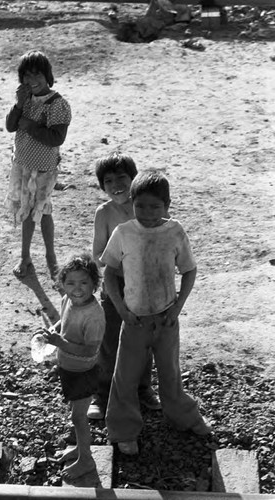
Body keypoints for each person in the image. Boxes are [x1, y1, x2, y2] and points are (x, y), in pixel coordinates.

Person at [101, 170, 212, 455]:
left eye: (155, 206)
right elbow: (110, 273)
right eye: (140, 206)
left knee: (170, 373)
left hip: (166, 318)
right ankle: (124, 430)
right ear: (132, 202)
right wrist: (122, 310)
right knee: (125, 376)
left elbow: (189, 270)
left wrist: (177, 307)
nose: (147, 213)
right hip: (134, 320)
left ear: (167, 205)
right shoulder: (124, 232)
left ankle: (183, 417)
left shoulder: (174, 231)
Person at [87, 152, 160, 420]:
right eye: (108, 181)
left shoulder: (145, 207)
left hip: (146, 285)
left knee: (144, 340)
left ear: (134, 179)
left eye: (122, 178)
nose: (116, 184)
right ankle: (103, 394)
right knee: (110, 342)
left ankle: (143, 389)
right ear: (102, 186)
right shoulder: (104, 213)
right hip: (116, 285)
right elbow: (97, 253)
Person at [36, 253, 105, 480]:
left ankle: (86, 459)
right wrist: (52, 331)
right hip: (68, 367)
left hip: (84, 372)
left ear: (94, 284)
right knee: (75, 413)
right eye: (71, 283)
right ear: (62, 284)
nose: (77, 288)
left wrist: (59, 343)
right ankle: (80, 449)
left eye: (84, 282)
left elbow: (89, 350)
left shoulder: (94, 316)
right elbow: (63, 322)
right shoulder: (68, 299)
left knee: (78, 417)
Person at [5, 50, 71, 279]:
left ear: (48, 76)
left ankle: (50, 256)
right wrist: (18, 105)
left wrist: (30, 125)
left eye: (37, 75)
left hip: (43, 169)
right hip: (23, 165)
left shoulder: (57, 104)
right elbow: (11, 126)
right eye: (27, 76)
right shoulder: (26, 101)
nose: (32, 81)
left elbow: (57, 138)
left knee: (42, 211)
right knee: (27, 210)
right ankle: (25, 256)